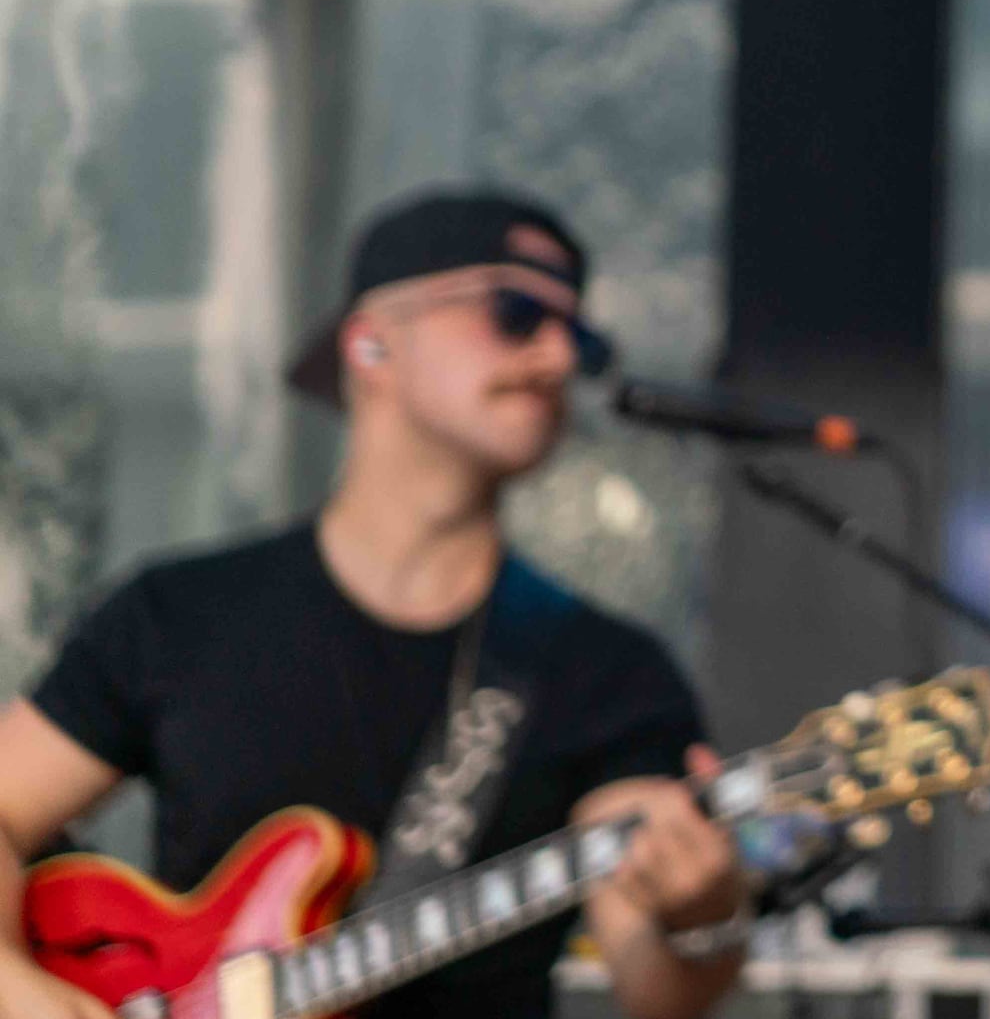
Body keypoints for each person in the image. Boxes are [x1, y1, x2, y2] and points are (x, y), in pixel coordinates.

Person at [0, 192, 749, 1019]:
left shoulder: (607, 671)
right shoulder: (178, 614)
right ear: (371, 340)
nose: (557, 359)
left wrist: (702, 914)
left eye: (582, 338)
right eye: (516, 313)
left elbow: (655, 989)